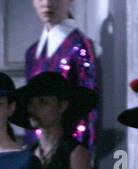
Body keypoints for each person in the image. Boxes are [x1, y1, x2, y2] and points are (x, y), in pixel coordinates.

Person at [25, 0, 98, 151]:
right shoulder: (32, 52)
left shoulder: (79, 46)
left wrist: (81, 153)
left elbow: (88, 108)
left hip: (67, 152)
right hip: (36, 151)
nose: (47, 3)